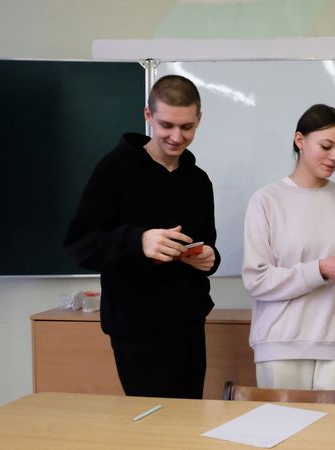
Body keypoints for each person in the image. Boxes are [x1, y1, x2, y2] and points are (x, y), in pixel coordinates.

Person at [64, 75, 220, 399]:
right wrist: (138, 241)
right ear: (148, 115)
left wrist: (210, 258)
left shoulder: (198, 181)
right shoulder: (113, 170)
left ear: (199, 120)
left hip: (188, 325)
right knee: (153, 423)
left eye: (187, 127)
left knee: (189, 420)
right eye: (166, 125)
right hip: (136, 330)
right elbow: (80, 245)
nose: (177, 137)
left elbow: (207, 242)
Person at [242, 104, 335, 390]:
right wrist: (320, 270)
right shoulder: (266, 200)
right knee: (282, 421)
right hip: (280, 346)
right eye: (326, 146)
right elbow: (257, 280)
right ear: (299, 140)